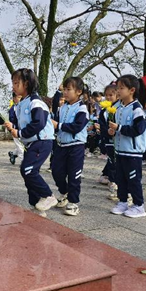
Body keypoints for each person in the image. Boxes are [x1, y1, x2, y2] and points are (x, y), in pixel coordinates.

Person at [4, 68, 57, 216]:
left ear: (26, 84)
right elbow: (24, 125)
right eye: (12, 83)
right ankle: (36, 205)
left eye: (16, 83)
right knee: (27, 172)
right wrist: (13, 127)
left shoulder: (36, 102)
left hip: (42, 141)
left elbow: (38, 123)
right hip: (32, 143)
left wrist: (20, 133)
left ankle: (48, 196)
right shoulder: (22, 103)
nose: (13, 86)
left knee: (28, 170)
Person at [108, 74, 146, 218]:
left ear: (131, 90)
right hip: (120, 151)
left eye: (121, 88)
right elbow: (117, 128)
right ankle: (123, 201)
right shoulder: (118, 107)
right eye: (117, 88)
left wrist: (119, 128)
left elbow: (138, 130)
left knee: (133, 180)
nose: (118, 91)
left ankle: (139, 205)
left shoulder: (136, 109)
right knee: (121, 179)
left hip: (133, 153)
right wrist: (112, 131)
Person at [50, 77, 89, 216]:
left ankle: (73, 202)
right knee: (56, 171)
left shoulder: (82, 108)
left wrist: (58, 125)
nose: (65, 92)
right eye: (64, 89)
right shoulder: (62, 107)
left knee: (74, 175)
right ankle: (64, 192)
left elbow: (77, 127)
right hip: (61, 145)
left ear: (78, 91)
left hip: (76, 146)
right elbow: (56, 125)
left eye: (68, 89)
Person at [99, 83, 120, 199]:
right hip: (108, 140)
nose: (108, 98)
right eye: (106, 95)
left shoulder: (120, 108)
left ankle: (118, 182)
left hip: (119, 140)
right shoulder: (103, 111)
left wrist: (115, 130)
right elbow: (102, 125)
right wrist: (107, 131)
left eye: (111, 95)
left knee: (118, 162)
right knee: (111, 160)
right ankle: (112, 181)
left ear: (117, 95)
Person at [8, 93, 25, 165]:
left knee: (22, 145)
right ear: (14, 98)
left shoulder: (23, 107)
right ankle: (22, 162)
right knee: (20, 146)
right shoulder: (13, 109)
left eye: (21, 97)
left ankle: (13, 154)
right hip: (16, 130)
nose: (20, 99)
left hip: (23, 130)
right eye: (18, 97)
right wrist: (13, 128)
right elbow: (11, 120)